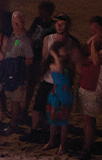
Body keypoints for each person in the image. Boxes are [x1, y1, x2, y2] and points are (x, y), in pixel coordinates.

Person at [24, 12, 78, 140]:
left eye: (62, 24)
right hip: (48, 78)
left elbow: (73, 65)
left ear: (68, 25)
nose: (58, 26)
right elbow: (44, 58)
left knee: (56, 110)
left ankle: (51, 135)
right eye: (57, 23)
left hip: (61, 82)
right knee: (38, 107)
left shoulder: (72, 42)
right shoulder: (48, 39)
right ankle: (34, 131)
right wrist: (41, 72)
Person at [76, 16, 102, 159]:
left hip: (97, 85)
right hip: (85, 82)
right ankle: (87, 142)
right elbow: (82, 56)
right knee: (85, 116)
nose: (93, 32)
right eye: (92, 29)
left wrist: (93, 45)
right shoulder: (92, 40)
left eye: (96, 29)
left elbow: (96, 60)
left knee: (90, 117)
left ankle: (87, 147)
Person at [0, 11, 34, 134]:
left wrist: (17, 64)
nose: (16, 25)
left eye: (18, 23)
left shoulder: (25, 40)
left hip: (18, 75)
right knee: (13, 99)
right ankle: (16, 120)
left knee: (15, 101)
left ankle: (13, 124)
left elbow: (29, 59)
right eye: (14, 23)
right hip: (10, 74)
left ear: (23, 23)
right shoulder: (13, 36)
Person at [42, 40, 75, 154]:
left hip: (65, 93)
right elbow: (59, 69)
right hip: (57, 93)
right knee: (53, 119)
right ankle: (51, 141)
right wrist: (55, 55)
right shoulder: (52, 64)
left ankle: (62, 145)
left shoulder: (68, 64)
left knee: (64, 121)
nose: (65, 52)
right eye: (63, 50)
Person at [24, 0, 56, 112]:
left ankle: (35, 109)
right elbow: (30, 33)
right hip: (34, 53)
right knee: (31, 83)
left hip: (43, 55)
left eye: (42, 10)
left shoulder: (52, 25)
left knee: (42, 83)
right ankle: (26, 107)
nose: (40, 12)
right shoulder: (37, 21)